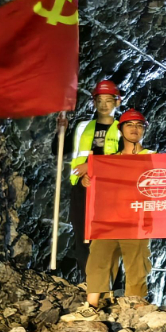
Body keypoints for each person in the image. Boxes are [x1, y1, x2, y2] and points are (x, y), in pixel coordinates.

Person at [64, 108, 153, 320]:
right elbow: (95, 182)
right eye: (129, 125)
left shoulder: (152, 157)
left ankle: (135, 305)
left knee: (136, 262)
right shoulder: (108, 160)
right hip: (109, 218)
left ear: (144, 130)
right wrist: (87, 180)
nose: (134, 129)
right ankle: (92, 305)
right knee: (98, 258)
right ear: (120, 130)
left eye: (139, 125)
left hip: (135, 218)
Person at [66, 79, 122, 279]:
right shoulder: (82, 127)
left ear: (117, 102)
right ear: (94, 102)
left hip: (109, 192)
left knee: (108, 239)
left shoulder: (124, 129)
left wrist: (92, 167)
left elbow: (126, 161)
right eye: (100, 100)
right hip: (82, 188)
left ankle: (113, 286)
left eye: (109, 100)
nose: (104, 105)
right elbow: (62, 150)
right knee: (83, 237)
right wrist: (61, 131)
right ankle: (89, 283)